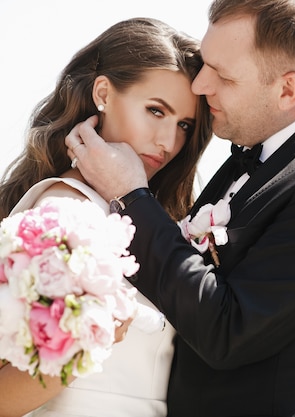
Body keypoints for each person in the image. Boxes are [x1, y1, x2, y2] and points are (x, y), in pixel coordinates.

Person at [67, 0, 295, 415]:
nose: (200, 85)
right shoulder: (250, 156)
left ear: (288, 90)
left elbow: (229, 330)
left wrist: (131, 195)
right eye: (206, 63)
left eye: (223, 75)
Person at [0, 17, 211, 417]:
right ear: (103, 93)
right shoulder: (63, 211)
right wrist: (91, 339)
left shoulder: (143, 216)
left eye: (184, 125)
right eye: (155, 111)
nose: (168, 142)